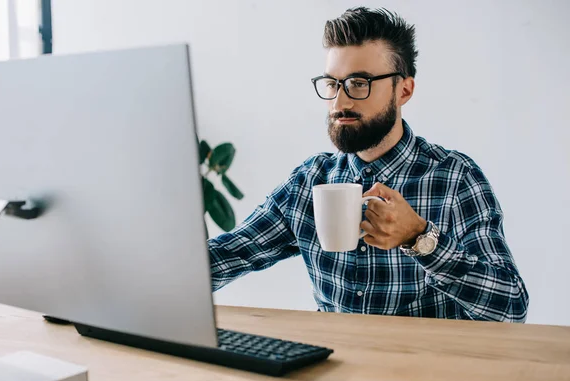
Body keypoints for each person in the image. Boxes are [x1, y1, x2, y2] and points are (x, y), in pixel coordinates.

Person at [207, 7, 529, 322]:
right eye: (332, 83)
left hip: (425, 372)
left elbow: (511, 308)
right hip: (334, 370)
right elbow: (228, 254)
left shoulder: (454, 178)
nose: (339, 102)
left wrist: (420, 239)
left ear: (404, 90)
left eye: (359, 83)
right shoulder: (308, 183)